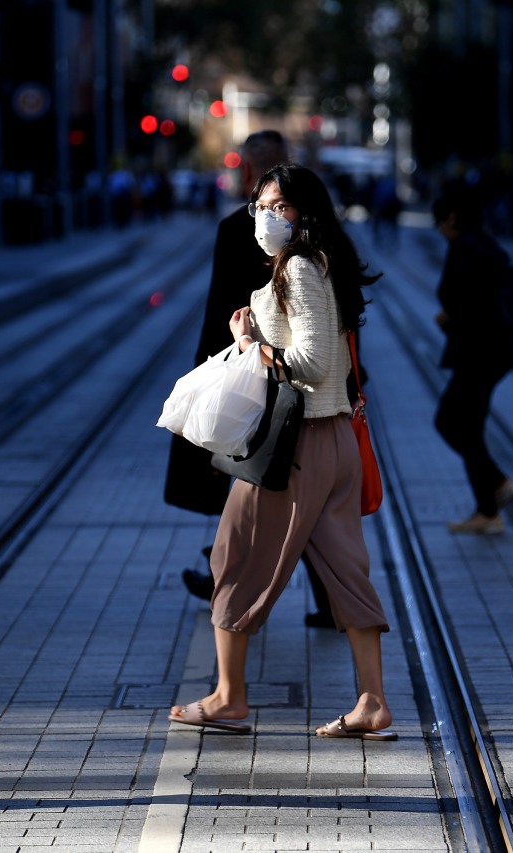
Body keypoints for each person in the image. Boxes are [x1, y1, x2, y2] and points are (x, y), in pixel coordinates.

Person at [169, 164, 396, 740]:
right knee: (346, 571)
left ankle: (228, 697)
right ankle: (372, 702)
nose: (266, 217)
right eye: (261, 206)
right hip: (335, 441)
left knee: (234, 556)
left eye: (279, 206)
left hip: (295, 448)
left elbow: (312, 365)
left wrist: (251, 346)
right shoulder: (320, 265)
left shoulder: (298, 268)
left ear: (305, 213)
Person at [164, 130, 335, 628]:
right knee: (283, 496)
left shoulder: (237, 229)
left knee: (262, 490)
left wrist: (214, 373)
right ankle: (241, 587)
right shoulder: (318, 231)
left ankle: (230, 592)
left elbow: (220, 310)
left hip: (258, 372)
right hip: (291, 384)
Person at [432, 187, 513, 535]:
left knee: (450, 422)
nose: (439, 229)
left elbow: (472, 306)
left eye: (439, 221)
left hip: (479, 354)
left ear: (452, 217)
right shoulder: (486, 243)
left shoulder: (466, 248)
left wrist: (448, 319)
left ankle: (497, 483)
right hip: (493, 352)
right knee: (468, 427)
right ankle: (488, 512)